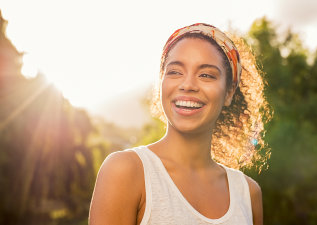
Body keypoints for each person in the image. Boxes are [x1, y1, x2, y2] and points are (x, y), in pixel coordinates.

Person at [89, 23, 270, 225]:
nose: (188, 85)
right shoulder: (126, 171)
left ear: (228, 93)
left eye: (206, 75)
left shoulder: (248, 193)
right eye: (175, 72)